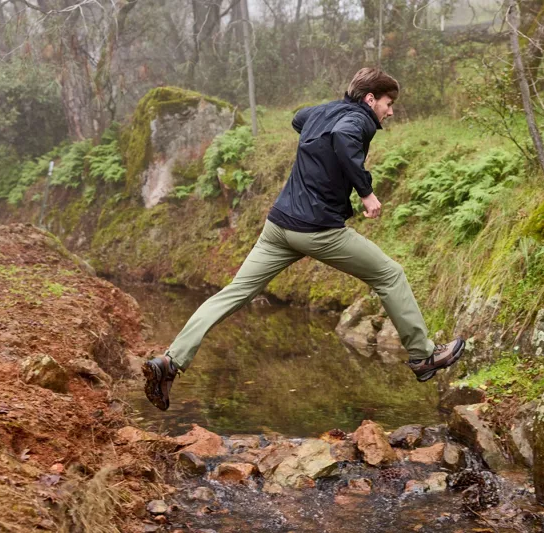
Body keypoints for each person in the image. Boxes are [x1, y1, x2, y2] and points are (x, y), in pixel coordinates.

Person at [143, 68, 465, 411]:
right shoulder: (357, 121)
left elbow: (299, 119)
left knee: (235, 292)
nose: (391, 111)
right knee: (390, 274)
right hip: (317, 230)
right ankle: (423, 356)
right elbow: (342, 138)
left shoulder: (326, 111)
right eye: (388, 103)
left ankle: (170, 361)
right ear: (370, 99)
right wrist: (366, 192)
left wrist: (320, 136)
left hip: (278, 227)